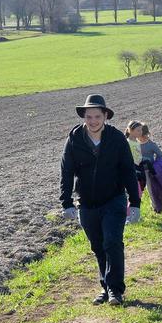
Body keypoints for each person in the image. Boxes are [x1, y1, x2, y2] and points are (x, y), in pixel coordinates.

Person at [60, 94, 141, 306]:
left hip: (113, 199)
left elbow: (127, 171)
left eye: (97, 116)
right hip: (87, 203)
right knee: (97, 246)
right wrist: (66, 202)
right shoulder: (75, 139)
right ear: (84, 117)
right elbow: (66, 171)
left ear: (105, 116)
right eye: (89, 116)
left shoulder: (116, 139)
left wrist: (135, 203)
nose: (93, 121)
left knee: (112, 242)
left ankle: (115, 290)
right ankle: (105, 288)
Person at [137, 124, 162, 213]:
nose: (143, 138)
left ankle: (157, 207)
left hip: (149, 170)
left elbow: (160, 155)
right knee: (139, 190)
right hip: (139, 170)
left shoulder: (151, 145)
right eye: (141, 136)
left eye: (145, 135)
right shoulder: (135, 144)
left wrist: (157, 165)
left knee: (152, 189)